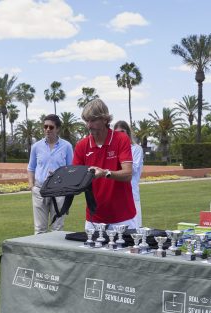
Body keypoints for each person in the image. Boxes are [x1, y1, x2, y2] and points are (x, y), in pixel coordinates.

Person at [73, 99, 137, 230]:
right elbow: (76, 181)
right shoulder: (81, 145)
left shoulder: (121, 139)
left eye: (93, 120)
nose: (89, 125)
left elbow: (127, 174)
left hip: (123, 218)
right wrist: (62, 179)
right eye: (87, 121)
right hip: (93, 220)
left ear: (105, 119)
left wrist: (104, 173)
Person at [27, 114, 74, 234]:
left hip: (59, 191)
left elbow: (71, 170)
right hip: (39, 190)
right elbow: (31, 168)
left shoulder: (67, 146)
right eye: (45, 126)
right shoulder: (36, 147)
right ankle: (39, 253)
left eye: (51, 127)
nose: (47, 129)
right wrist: (32, 186)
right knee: (39, 229)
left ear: (57, 129)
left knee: (57, 229)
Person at [113, 120, 144, 227]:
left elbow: (132, 169)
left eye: (122, 131)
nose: (120, 135)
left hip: (131, 193)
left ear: (128, 133)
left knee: (134, 229)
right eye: (117, 132)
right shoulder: (112, 150)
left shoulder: (136, 149)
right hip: (116, 195)